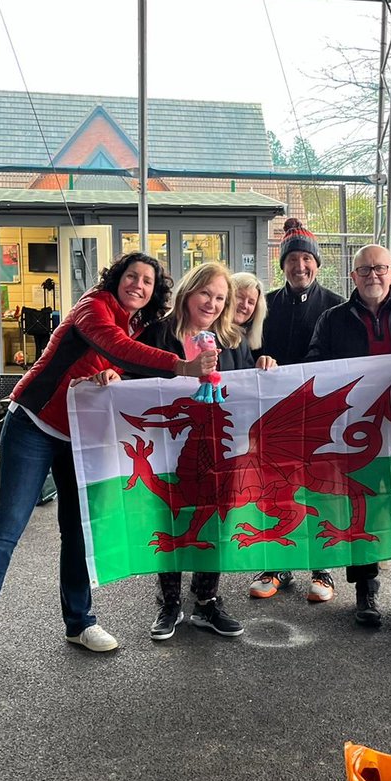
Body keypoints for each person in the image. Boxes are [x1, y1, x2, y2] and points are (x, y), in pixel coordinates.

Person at [0, 251, 219, 672]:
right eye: (131, 276)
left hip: (79, 433)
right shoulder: (93, 306)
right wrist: (181, 366)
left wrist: (110, 377)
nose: (138, 284)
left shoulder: (140, 324)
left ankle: (79, 622)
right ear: (116, 278)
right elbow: (116, 346)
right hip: (33, 422)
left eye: (147, 281)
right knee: (8, 528)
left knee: (78, 532)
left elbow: (125, 366)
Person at [132, 262, 274, 640]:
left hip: (221, 451)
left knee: (213, 519)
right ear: (188, 292)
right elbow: (131, 382)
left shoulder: (233, 340)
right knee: (172, 518)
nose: (211, 303)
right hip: (169, 449)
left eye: (220, 298)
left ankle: (207, 602)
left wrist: (262, 365)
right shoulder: (157, 336)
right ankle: (170, 603)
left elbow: (248, 394)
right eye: (205, 294)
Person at [306, 243, 391, 632]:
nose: (372, 276)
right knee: (362, 514)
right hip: (358, 440)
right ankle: (366, 591)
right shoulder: (332, 320)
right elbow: (314, 369)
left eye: (379, 269)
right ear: (353, 277)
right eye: (364, 270)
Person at [249, 219, 345, 603]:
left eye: (307, 258)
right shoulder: (264, 305)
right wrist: (260, 359)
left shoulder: (337, 306)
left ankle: (322, 569)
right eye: (293, 259)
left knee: (320, 489)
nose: (300, 266)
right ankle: (276, 563)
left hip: (321, 415)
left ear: (317, 264)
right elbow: (248, 348)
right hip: (273, 416)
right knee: (276, 490)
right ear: (282, 264)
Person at [231, 271, 276, 370]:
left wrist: (262, 366)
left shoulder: (242, 341)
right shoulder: (208, 335)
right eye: (239, 297)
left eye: (251, 302)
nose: (245, 305)